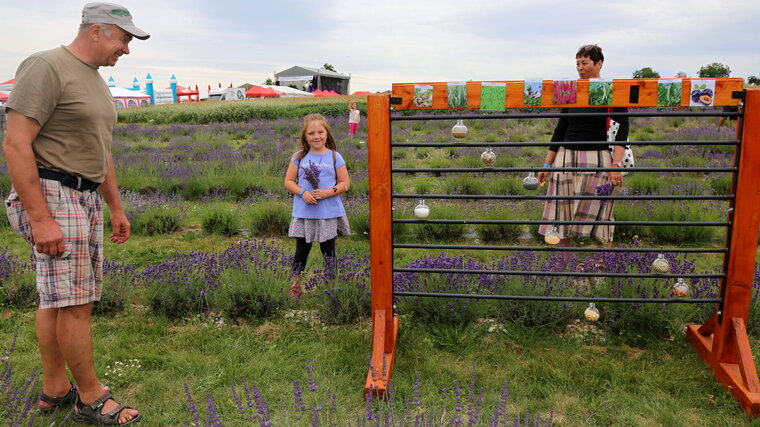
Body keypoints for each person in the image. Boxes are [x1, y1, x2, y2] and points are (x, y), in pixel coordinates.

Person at [3, 3, 148, 424]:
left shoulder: (96, 82)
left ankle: (56, 388)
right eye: (124, 38)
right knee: (75, 303)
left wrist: (114, 206)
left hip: (83, 195)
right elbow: (15, 143)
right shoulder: (46, 66)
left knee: (56, 298)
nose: (126, 49)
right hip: (53, 193)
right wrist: (41, 217)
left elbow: (100, 150)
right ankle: (91, 397)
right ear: (98, 30)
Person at [537, 44, 629, 247]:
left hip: (598, 158)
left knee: (601, 211)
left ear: (599, 63)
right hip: (566, 157)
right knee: (563, 211)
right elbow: (560, 130)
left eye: (585, 63)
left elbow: (623, 128)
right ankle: (563, 266)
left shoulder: (611, 90)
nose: (580, 67)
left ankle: (598, 267)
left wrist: (615, 165)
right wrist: (547, 165)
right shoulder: (570, 90)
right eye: (577, 63)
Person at [284, 114, 351, 295]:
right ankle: (296, 285)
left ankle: (331, 287)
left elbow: (345, 183)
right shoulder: (299, 157)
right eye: (311, 133)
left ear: (327, 134)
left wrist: (328, 192)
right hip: (305, 212)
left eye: (320, 132)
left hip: (327, 213)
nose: (316, 136)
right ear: (305, 137)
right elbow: (289, 181)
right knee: (301, 251)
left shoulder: (335, 157)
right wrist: (303, 193)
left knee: (329, 251)